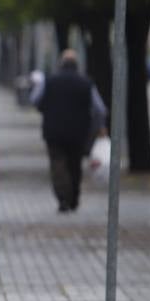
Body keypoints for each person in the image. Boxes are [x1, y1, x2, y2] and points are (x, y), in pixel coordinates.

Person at [32, 49, 106, 213]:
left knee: (57, 165)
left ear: (61, 64)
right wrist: (96, 127)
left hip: (53, 132)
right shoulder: (86, 83)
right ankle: (73, 198)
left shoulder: (49, 81)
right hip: (78, 133)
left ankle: (63, 197)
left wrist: (46, 108)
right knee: (74, 165)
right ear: (76, 65)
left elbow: (35, 99)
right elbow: (100, 109)